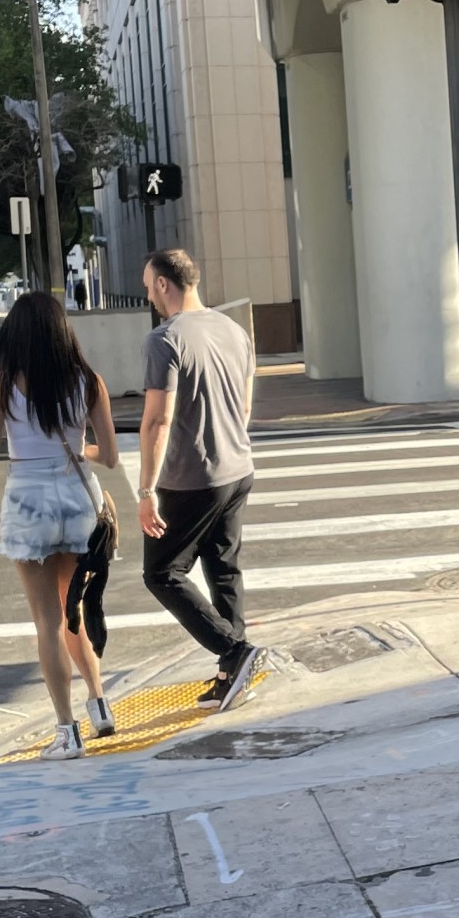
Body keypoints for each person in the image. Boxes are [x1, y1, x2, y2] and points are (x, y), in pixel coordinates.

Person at [0, 293, 121, 758]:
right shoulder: (89, 382)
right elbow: (108, 457)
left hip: (28, 503)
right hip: (77, 499)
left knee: (46, 621)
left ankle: (66, 731)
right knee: (74, 613)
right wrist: (72, 450)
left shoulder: (0, 385)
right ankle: (99, 703)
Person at [135, 248, 266, 709]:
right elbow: (245, 407)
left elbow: (157, 421)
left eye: (149, 286)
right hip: (238, 467)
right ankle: (234, 674)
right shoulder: (234, 330)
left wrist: (146, 488)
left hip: (193, 476)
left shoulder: (165, 339)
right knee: (222, 567)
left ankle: (235, 650)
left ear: (164, 285)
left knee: (162, 572)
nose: (149, 295)